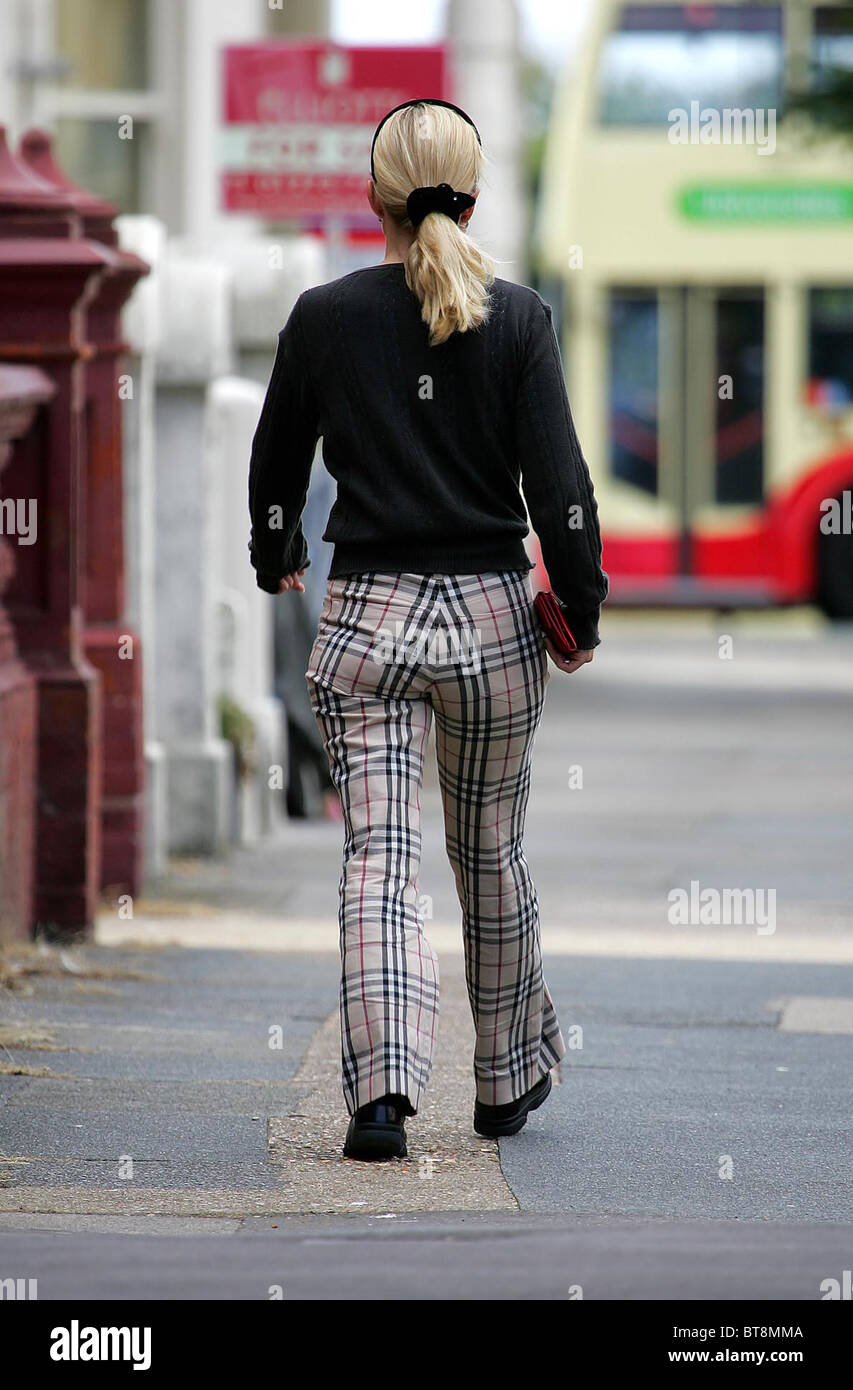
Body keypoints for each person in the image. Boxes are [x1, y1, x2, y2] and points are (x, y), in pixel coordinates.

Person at [248, 98, 609, 1162]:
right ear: (476, 191)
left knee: (380, 858)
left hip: (367, 620)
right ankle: (501, 1083)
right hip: (493, 620)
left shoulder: (323, 314)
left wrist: (275, 554)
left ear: (375, 198)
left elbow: (276, 462)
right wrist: (578, 607)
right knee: (488, 848)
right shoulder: (523, 317)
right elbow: (563, 486)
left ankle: (382, 1099)